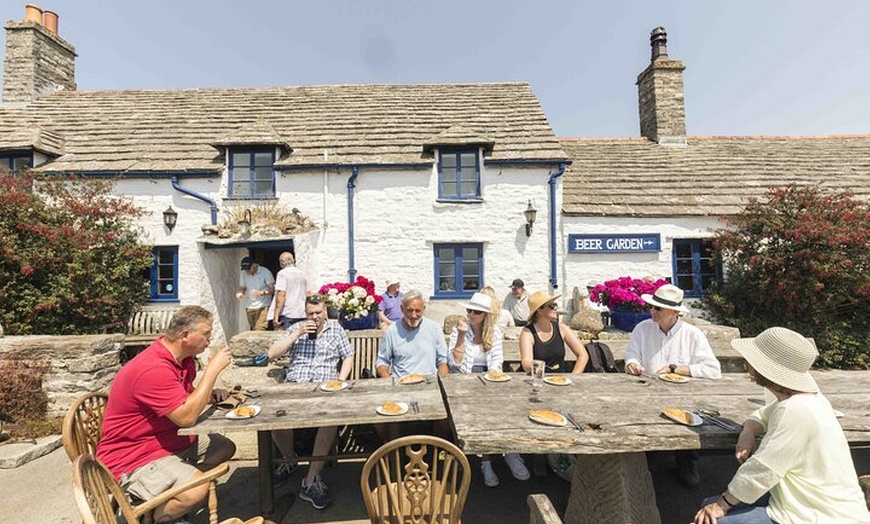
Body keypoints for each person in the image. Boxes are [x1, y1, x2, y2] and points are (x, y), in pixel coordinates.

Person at [694, 327, 870, 524]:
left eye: (752, 359)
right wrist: (749, 430)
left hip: (816, 515)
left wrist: (722, 505)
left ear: (765, 368)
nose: (746, 363)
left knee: (709, 518)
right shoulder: (806, 399)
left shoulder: (795, 410)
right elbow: (764, 414)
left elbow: (762, 470)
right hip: (809, 502)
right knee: (708, 504)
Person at [96, 306, 235, 524]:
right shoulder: (153, 369)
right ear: (185, 336)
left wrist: (207, 394)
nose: (211, 338)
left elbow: (180, 397)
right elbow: (186, 418)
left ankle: (167, 494)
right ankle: (149, 518)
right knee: (197, 490)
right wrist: (212, 371)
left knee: (224, 447)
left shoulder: (181, 358)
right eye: (206, 333)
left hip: (168, 441)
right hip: (134, 456)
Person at [262, 294, 353, 510]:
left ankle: (310, 481)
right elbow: (271, 354)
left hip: (325, 387)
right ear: (305, 313)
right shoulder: (297, 329)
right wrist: (296, 334)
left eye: (318, 312)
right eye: (311, 313)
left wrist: (340, 381)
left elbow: (348, 356)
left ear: (325, 311)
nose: (315, 317)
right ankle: (289, 459)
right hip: (295, 386)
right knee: (275, 416)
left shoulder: (336, 329)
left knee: (330, 420)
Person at [625, 283, 721, 487]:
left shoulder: (692, 334)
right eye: (652, 306)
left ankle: (687, 461)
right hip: (648, 393)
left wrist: (675, 369)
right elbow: (632, 355)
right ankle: (646, 460)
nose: (652, 311)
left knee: (689, 422)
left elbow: (713, 370)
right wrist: (632, 364)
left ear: (674, 311)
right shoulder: (642, 329)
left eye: (658, 308)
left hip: (683, 396)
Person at [448, 292, 529, 487]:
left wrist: (490, 379)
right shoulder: (459, 330)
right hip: (464, 380)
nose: (471, 315)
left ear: (485, 315)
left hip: (489, 379)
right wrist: (460, 336)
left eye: (476, 312)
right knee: (481, 411)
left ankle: (511, 452)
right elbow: (455, 364)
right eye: (469, 310)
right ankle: (486, 462)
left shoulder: (494, 333)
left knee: (508, 407)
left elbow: (497, 361)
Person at [375, 289, 449, 378]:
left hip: (428, 383)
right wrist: (391, 383)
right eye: (409, 310)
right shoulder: (392, 331)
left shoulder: (434, 329)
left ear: (424, 309)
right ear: (402, 309)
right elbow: (382, 361)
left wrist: (439, 381)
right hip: (401, 383)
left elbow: (443, 361)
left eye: (418, 311)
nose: (413, 315)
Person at [519, 290, 589, 374]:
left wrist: (574, 376)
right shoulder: (528, 332)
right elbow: (526, 361)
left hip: (559, 380)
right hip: (538, 379)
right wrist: (534, 368)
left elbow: (583, 354)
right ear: (539, 311)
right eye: (551, 306)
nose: (555, 308)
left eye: (555, 305)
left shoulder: (562, 328)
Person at [236, 256, 274, 330]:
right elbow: (242, 287)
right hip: (250, 306)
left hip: (263, 305)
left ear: (254, 265)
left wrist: (261, 293)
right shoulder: (244, 273)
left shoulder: (265, 272)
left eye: (248, 269)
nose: (247, 271)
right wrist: (240, 293)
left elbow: (272, 289)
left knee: (260, 329)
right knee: (254, 330)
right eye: (245, 269)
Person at [271, 252, 308, 330]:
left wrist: (276, 316)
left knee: (287, 339)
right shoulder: (302, 273)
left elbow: (281, 294)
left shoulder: (282, 273)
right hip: (302, 313)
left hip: (288, 314)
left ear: (282, 261)